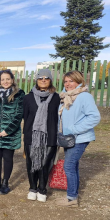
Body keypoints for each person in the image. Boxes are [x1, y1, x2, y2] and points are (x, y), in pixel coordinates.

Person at [55, 70, 100, 207]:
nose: (68, 84)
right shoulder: (65, 96)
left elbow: (94, 117)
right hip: (67, 138)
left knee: (68, 166)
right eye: (66, 81)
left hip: (79, 138)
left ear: (79, 81)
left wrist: (75, 129)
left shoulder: (84, 96)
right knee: (73, 166)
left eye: (71, 81)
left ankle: (72, 198)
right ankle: (73, 195)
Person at [0, 69, 24, 195]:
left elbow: (19, 115)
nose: (5, 81)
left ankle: (5, 183)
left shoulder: (19, 94)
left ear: (12, 80)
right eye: (3, 79)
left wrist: (7, 131)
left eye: (8, 79)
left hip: (9, 134)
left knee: (7, 158)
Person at [23, 69, 60, 202]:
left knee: (45, 163)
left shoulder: (57, 98)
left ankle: (42, 189)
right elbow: (25, 117)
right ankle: (33, 188)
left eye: (46, 78)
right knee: (32, 162)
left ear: (50, 80)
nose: (43, 80)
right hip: (31, 136)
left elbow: (58, 116)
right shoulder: (28, 98)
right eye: (40, 78)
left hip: (50, 136)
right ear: (36, 80)